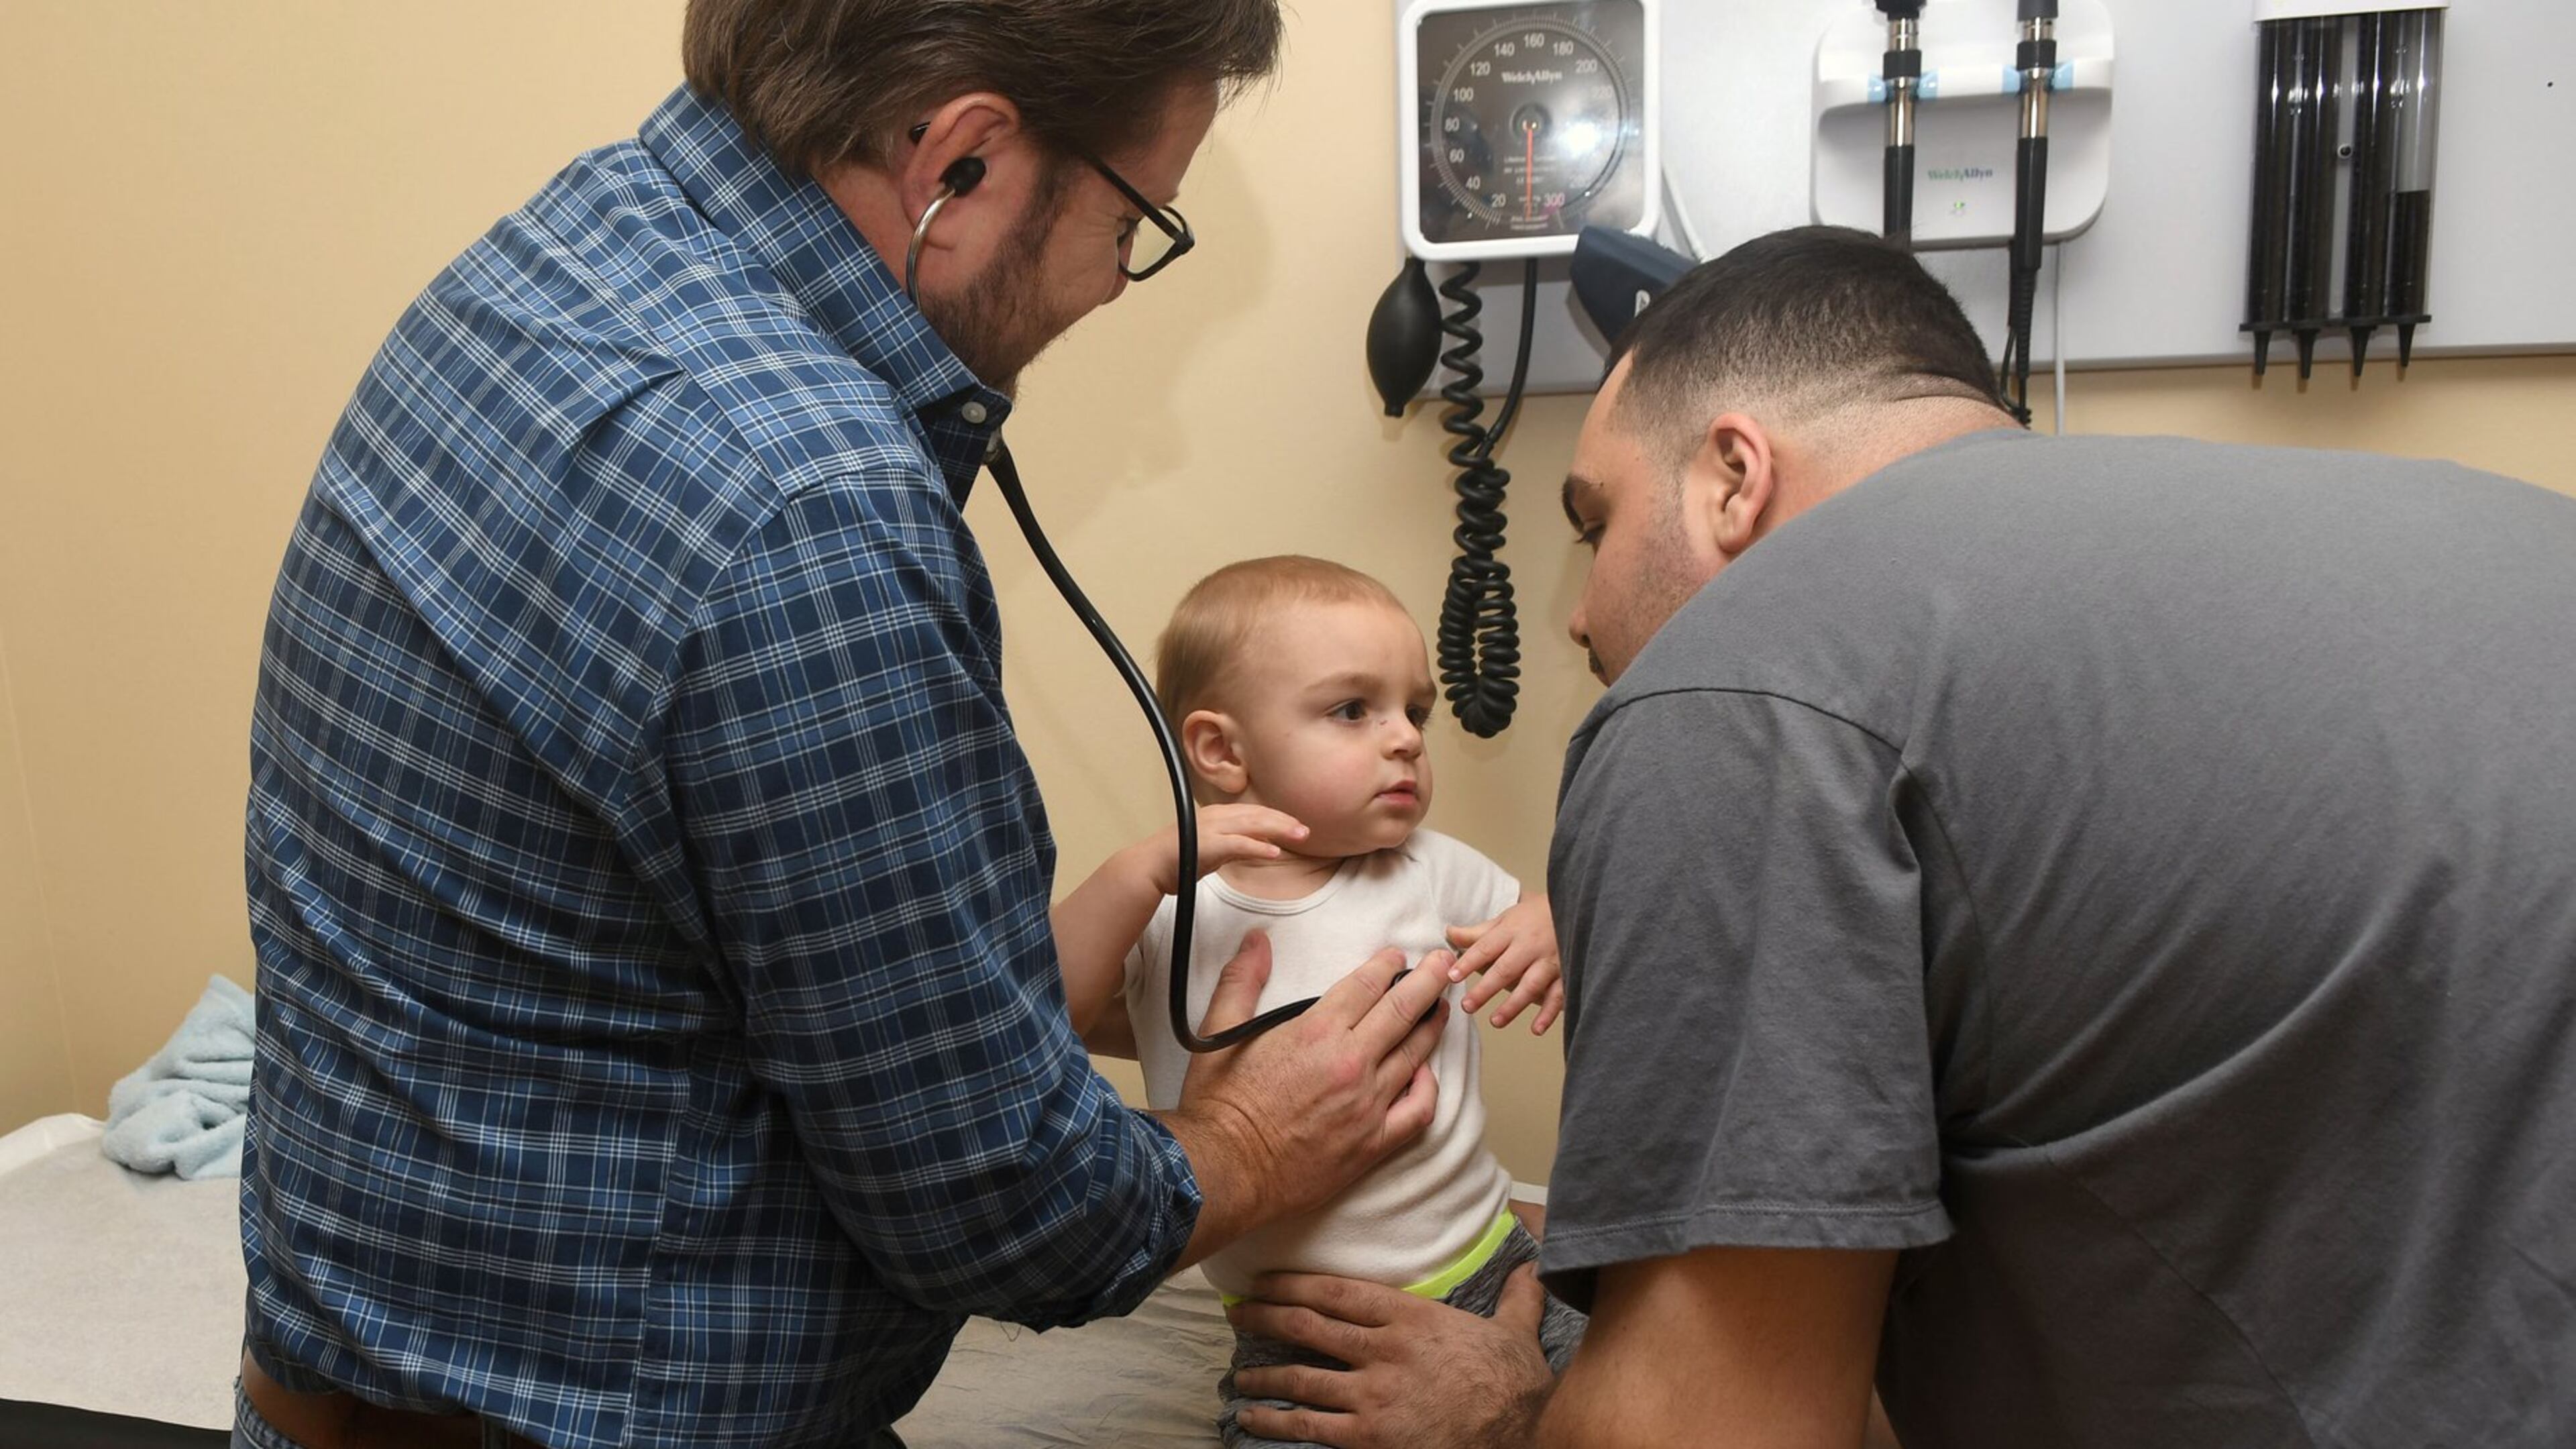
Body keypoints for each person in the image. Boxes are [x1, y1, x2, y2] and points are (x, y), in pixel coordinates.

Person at [236, 5, 1460, 1448]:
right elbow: (1007, 1216)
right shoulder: (806, 506)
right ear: (962, 161)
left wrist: (1013, 1005)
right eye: (1138, 219)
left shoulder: (553, 257)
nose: (1120, 284)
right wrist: (1248, 1142)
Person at [1225, 225, 2576, 1448]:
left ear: (1732, 480)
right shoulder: (2501, 536)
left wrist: (1517, 1415)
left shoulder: (1742, 690)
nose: (1577, 622)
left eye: (1596, 521)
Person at [1047, 556, 1588, 1446]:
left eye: (1415, 711)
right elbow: (1042, 1018)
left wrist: (1552, 917)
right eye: (1352, 710)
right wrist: (1132, 874)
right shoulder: (1176, 911)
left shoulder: (1431, 872)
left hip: (1500, 1269)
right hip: (1301, 1330)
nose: (1407, 738)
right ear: (1222, 751)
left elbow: (1559, 929)